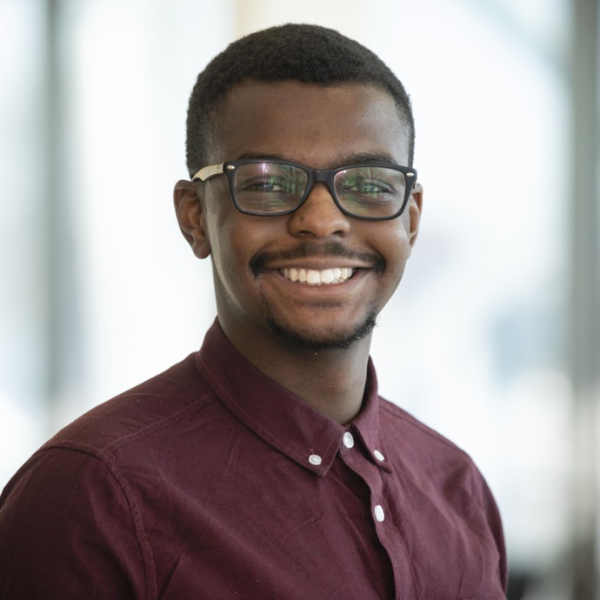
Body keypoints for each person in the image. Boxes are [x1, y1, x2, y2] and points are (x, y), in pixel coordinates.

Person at [0, 24, 507, 599]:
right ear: (195, 217)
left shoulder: (457, 486)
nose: (321, 220)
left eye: (368, 182)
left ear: (410, 219)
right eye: (268, 183)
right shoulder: (93, 495)